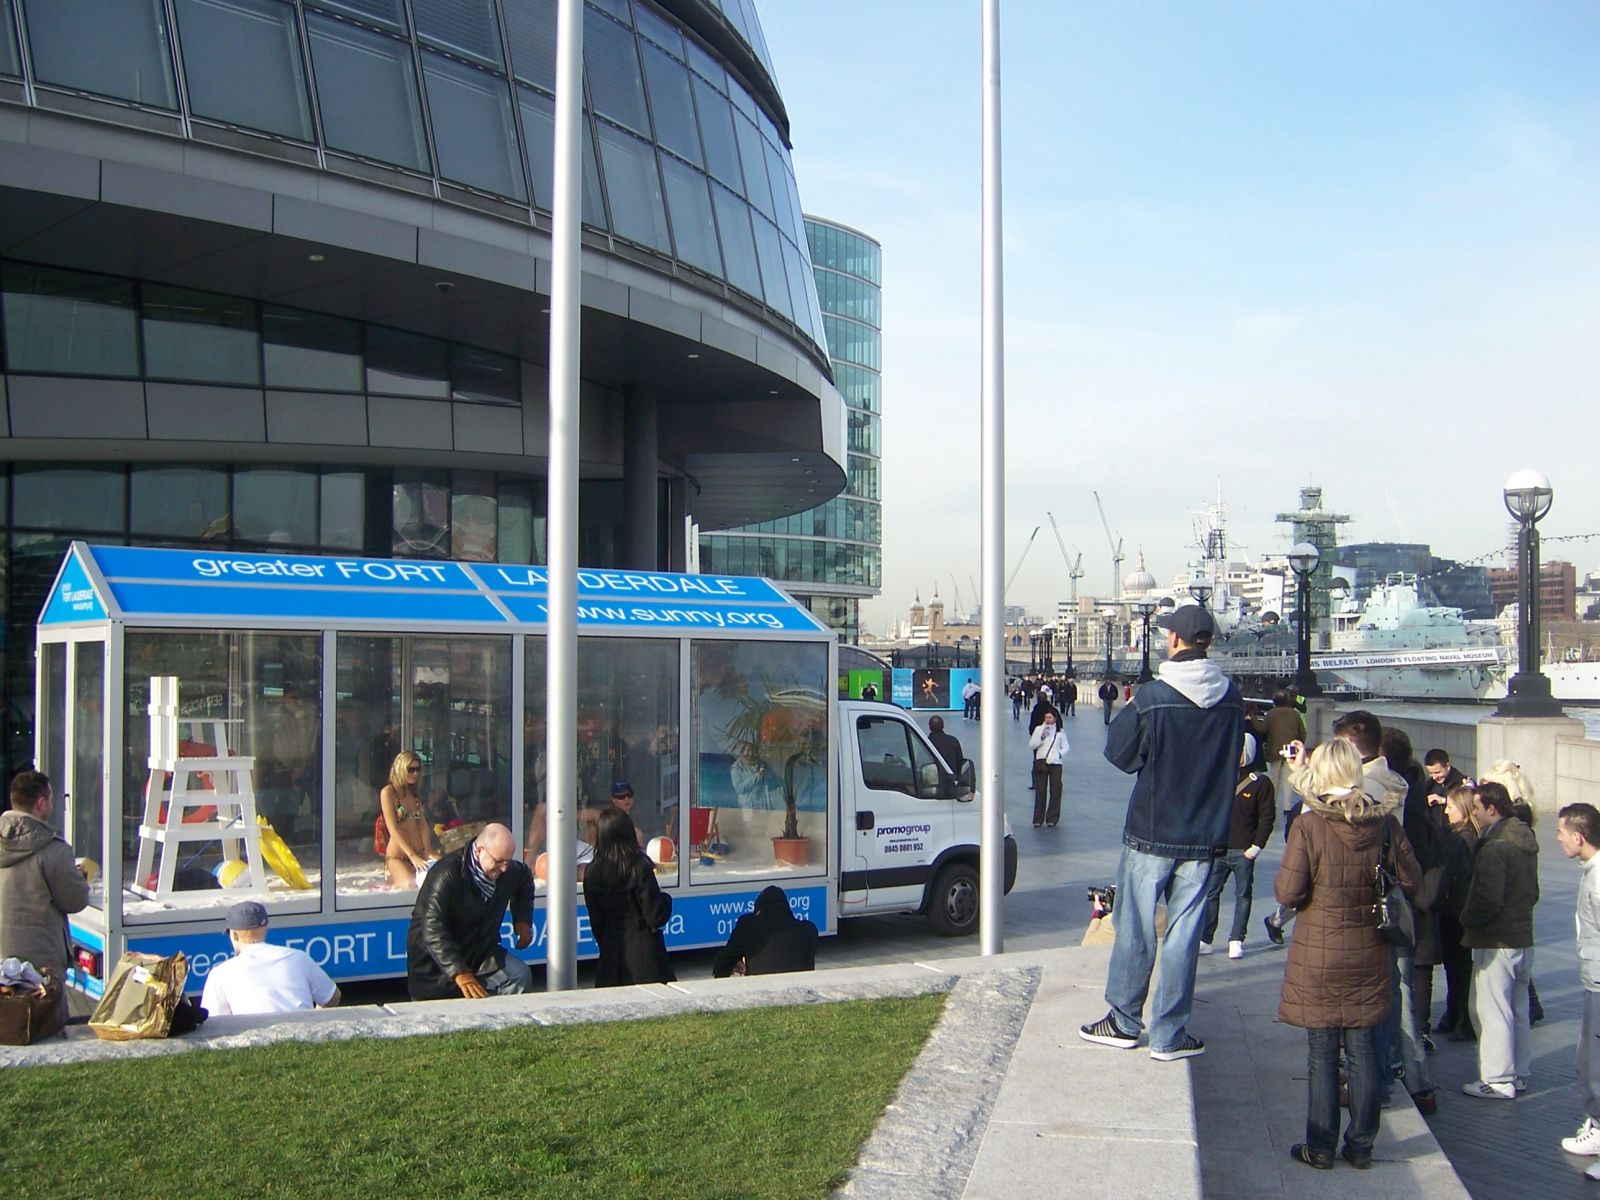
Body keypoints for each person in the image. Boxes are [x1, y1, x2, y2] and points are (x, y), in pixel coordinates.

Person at [1080, 604, 1243, 1062]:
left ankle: (1124, 1020)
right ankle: (1170, 1033)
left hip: (1152, 829)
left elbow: (1119, 753)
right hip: (1205, 832)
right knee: (1184, 934)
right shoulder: (1231, 697)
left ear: (1173, 640)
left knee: (1135, 927)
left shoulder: (1153, 696)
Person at [1273, 739, 1420, 1170]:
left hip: (1319, 955)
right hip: (1369, 953)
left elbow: (1288, 892)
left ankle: (1319, 1146)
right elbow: (1412, 879)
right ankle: (1361, 1145)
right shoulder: (1383, 823)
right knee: (1364, 1052)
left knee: (1321, 1053)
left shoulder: (1309, 825)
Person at [1458, 780, 1539, 1099]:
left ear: (1491, 809)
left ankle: (1497, 1078)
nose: (1474, 814)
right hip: (1521, 934)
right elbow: (1532, 892)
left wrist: (1466, 918)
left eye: (1477, 808)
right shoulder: (1524, 839)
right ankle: (1518, 1073)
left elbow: (1488, 899)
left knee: (1492, 1010)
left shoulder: (1495, 847)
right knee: (1517, 1008)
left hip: (1496, 939)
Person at [406, 823, 534, 1000]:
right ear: (480, 851)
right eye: (498, 861)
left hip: (480, 954)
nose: (504, 868)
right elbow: (432, 928)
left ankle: (498, 1015)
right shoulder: (446, 874)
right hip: (435, 966)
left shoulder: (505, 870)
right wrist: (459, 972)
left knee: (519, 975)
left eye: (507, 861)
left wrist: (522, 920)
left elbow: (524, 878)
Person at [0, 769, 88, 1022]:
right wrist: (79, 878)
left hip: (3, 956)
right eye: (51, 799)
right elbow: (74, 900)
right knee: (47, 1027)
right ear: (40, 804)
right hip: (41, 963)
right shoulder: (52, 850)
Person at [1479, 759, 1545, 1023]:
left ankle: (1532, 1006)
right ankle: (1532, 1007)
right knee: (1519, 978)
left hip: (1508, 914)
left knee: (1506, 992)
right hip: (1519, 910)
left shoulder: (1509, 826)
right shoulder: (1523, 816)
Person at [1199, 733, 1275, 959]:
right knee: (1211, 893)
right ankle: (1206, 938)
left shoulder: (1261, 783)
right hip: (1219, 848)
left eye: (1239, 750)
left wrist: (1257, 846)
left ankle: (1236, 939)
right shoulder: (1221, 777)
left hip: (1244, 850)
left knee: (1243, 895)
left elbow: (1267, 817)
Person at [583, 806, 675, 986]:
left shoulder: (592, 871)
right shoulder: (639, 866)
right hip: (645, 956)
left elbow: (596, 921)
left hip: (610, 957)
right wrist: (666, 899)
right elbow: (655, 916)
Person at [199, 900, 340, 1016]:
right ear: (265, 928)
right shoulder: (298, 957)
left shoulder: (220, 974)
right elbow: (332, 996)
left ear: (234, 935)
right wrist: (315, 1019)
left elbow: (214, 1021)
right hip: (302, 1034)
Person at [1558, 804, 1600, 1175]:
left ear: (1579, 836)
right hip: (1593, 977)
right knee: (1588, 1059)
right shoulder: (1591, 871)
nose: (1557, 839)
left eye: (1561, 833)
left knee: (1594, 1061)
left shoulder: (1598, 878)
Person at [711, 885, 819, 978]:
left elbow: (721, 965)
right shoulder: (809, 930)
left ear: (758, 911)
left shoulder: (748, 925)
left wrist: (732, 965)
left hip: (762, 990)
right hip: (800, 989)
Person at [378, 750, 438, 889]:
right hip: (399, 857)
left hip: (420, 853)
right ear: (401, 768)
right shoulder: (388, 793)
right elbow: (393, 828)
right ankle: (393, 875)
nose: (415, 774)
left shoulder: (413, 792)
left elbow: (422, 824)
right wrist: (412, 855)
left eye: (418, 769)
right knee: (410, 884)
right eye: (411, 770)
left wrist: (428, 850)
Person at [1028, 709, 1068, 829]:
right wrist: (1041, 737)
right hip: (1041, 762)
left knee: (1056, 789)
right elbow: (1032, 745)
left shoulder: (1060, 732)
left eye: (1050, 717)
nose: (1047, 720)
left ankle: (1052, 818)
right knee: (1040, 790)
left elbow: (1066, 747)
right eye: (1046, 717)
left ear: (1055, 719)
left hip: (1055, 763)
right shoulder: (1039, 729)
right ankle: (1038, 819)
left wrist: (1059, 754)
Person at [1423, 748, 1467, 828]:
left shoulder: (1463, 783)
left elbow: (1467, 804)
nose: (1434, 777)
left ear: (1447, 766)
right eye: (1430, 773)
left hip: (1455, 830)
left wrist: (1444, 800)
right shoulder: (1428, 786)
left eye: (1437, 772)